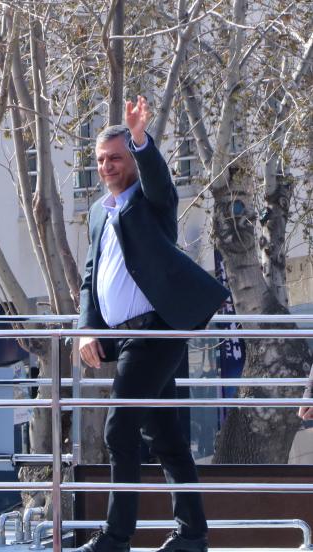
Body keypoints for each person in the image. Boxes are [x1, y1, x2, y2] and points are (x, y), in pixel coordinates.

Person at [74, 97, 229, 552]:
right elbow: (89, 277)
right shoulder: (99, 211)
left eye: (116, 158)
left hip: (154, 332)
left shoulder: (151, 201)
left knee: (118, 431)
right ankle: (192, 533)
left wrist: (141, 140)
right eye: (101, 160)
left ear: (131, 160)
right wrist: (86, 329)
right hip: (122, 337)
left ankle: (116, 536)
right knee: (165, 436)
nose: (107, 166)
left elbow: (160, 180)